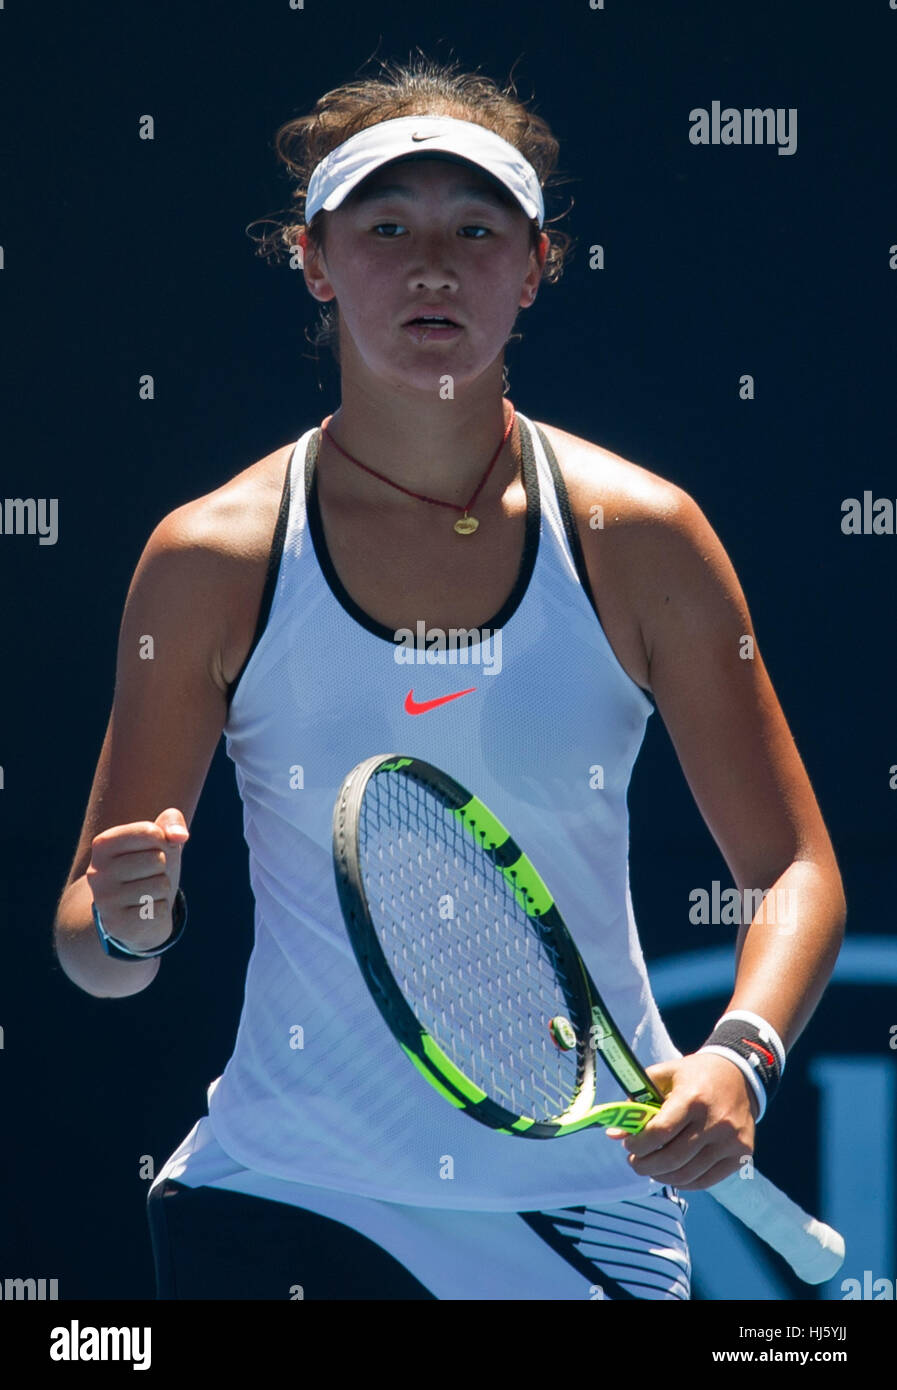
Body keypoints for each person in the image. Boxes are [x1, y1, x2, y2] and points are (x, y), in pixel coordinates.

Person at [52, 55, 845, 1300]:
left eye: (477, 229)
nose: (433, 264)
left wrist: (740, 1057)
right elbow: (96, 951)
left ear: (535, 266)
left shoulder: (645, 539)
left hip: (588, 1209)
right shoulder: (209, 557)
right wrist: (127, 912)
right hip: (284, 1202)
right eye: (386, 227)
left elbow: (793, 867)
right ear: (313, 260)